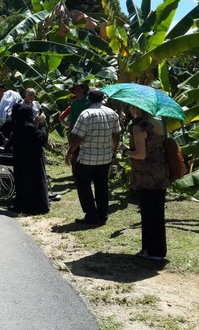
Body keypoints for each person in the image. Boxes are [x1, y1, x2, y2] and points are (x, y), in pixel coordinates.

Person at [121, 107, 170, 260]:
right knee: (157, 212)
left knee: (148, 212)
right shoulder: (159, 123)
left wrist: (125, 151)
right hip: (160, 171)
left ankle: (151, 250)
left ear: (137, 108)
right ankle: (156, 250)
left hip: (146, 175)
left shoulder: (139, 127)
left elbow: (141, 155)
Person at [66, 89, 121, 225]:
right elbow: (117, 133)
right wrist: (114, 149)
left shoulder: (86, 114)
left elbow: (77, 137)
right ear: (102, 99)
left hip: (87, 157)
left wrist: (70, 152)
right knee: (102, 185)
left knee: (83, 185)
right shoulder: (112, 113)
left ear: (89, 99)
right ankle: (102, 214)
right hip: (105, 157)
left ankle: (91, 215)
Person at [9, 103, 49, 215]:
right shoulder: (28, 127)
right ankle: (34, 206)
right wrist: (41, 125)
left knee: (23, 183)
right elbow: (41, 138)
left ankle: (22, 204)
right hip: (32, 161)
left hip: (21, 160)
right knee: (34, 184)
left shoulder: (18, 126)